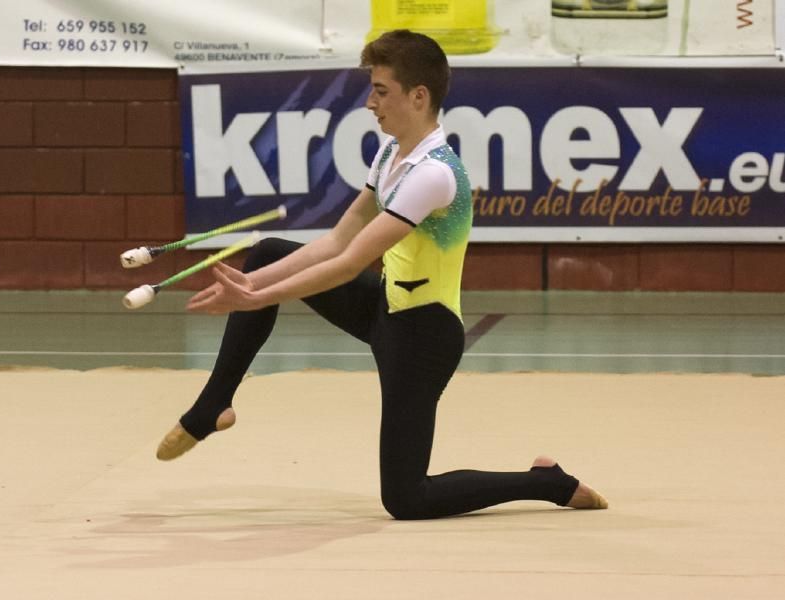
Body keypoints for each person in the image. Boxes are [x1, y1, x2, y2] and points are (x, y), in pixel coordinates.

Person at [157, 29, 608, 519]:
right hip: (384, 307)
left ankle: (544, 483)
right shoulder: (391, 154)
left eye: (381, 91)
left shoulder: (435, 174)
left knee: (406, 498)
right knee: (265, 255)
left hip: (422, 338)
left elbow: (349, 264)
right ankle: (212, 407)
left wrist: (256, 299)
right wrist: (255, 285)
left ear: (419, 97)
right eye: (372, 89)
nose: (370, 103)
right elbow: (337, 239)